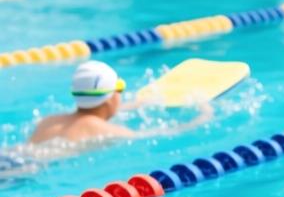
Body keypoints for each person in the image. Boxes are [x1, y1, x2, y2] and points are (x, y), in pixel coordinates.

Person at [27, 60, 211, 148]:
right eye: (119, 88)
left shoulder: (50, 120)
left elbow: (92, 114)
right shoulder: (105, 130)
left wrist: (139, 103)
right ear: (109, 97)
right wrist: (203, 115)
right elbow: (164, 133)